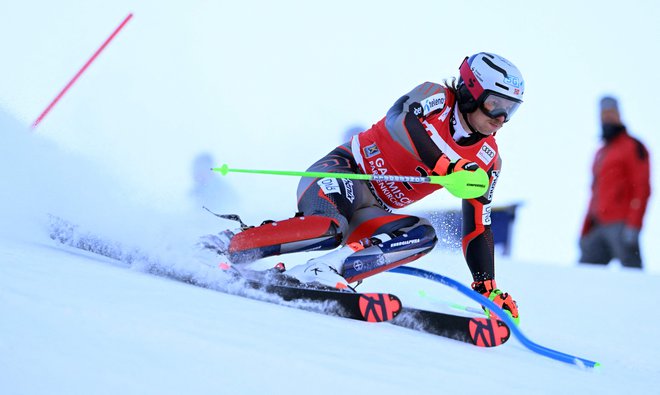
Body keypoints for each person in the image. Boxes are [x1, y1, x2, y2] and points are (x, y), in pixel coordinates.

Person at [207, 52, 524, 323]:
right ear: (471, 91)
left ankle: (325, 270)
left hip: (372, 211)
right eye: (495, 104)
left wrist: (486, 287)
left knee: (422, 235)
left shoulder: (488, 160)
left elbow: (478, 226)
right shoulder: (436, 97)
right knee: (327, 228)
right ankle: (222, 245)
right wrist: (445, 167)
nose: (501, 118)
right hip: (345, 172)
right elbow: (399, 121)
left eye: (510, 109)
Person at [579, 96, 651, 268]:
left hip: (621, 224)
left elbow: (642, 188)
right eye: (604, 113)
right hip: (598, 224)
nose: (607, 117)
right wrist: (585, 229)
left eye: (611, 112)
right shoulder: (601, 152)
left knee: (632, 276)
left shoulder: (633, 147)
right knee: (584, 274)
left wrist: (634, 225)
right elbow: (594, 192)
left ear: (619, 114)